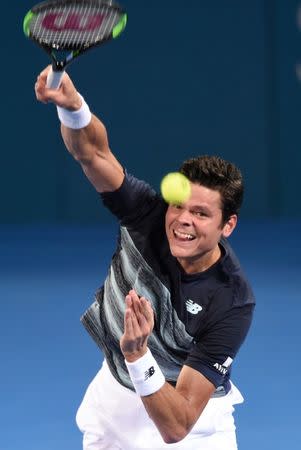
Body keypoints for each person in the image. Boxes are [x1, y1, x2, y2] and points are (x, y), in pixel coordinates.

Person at [35, 66, 255, 450]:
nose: (183, 221)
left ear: (228, 225)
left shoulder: (231, 299)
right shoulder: (146, 215)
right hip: (113, 409)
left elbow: (178, 425)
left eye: (201, 214)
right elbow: (92, 152)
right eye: (179, 207)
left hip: (191, 426)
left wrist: (138, 354)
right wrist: (73, 107)